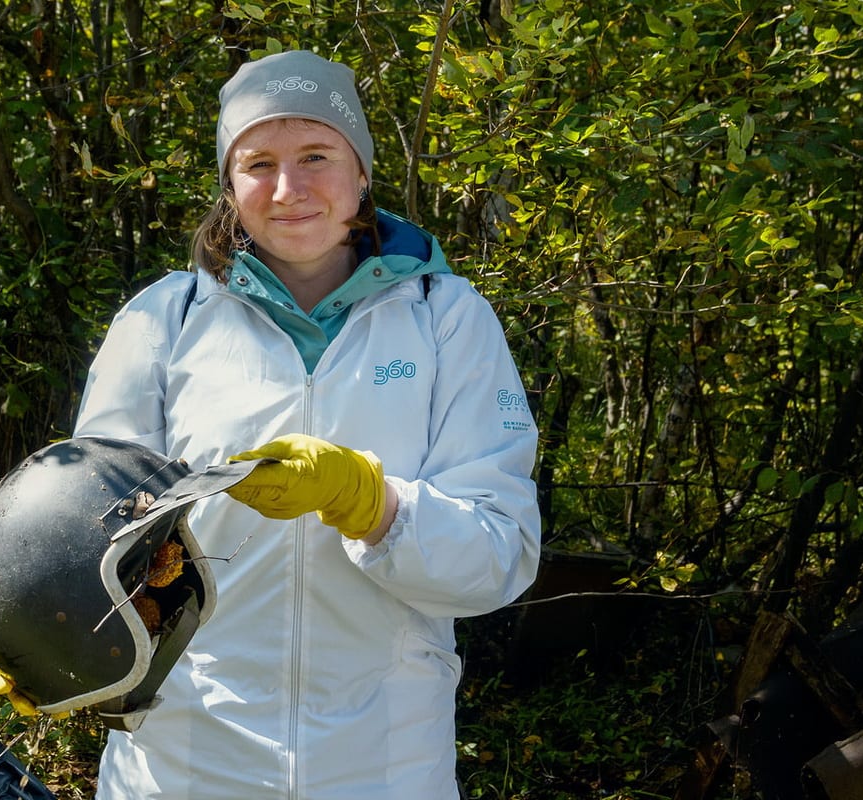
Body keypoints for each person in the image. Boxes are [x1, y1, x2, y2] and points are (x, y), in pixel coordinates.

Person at [71, 49, 540, 798]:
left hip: (386, 763)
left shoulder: (446, 320)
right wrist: (38, 624)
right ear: (229, 185)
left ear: (362, 173)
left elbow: (500, 558)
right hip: (182, 759)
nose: (289, 189)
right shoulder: (163, 321)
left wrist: (374, 504)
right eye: (258, 164)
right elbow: (89, 530)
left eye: (317, 155)